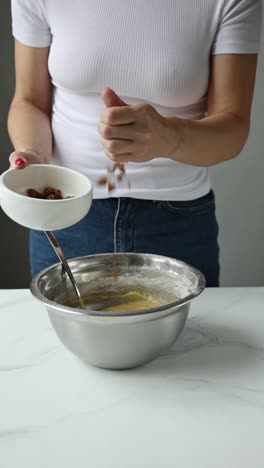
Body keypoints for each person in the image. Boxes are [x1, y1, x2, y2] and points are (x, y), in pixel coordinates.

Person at [8, 0, 262, 286]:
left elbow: (234, 127)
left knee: (190, 332)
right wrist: (33, 153)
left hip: (177, 224)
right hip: (65, 217)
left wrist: (168, 137)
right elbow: (29, 100)